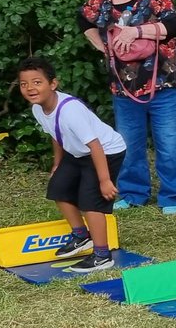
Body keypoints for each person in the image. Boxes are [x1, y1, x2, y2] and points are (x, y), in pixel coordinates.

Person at [79, 0, 176, 215]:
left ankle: (173, 196)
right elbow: (83, 19)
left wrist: (137, 32)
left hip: (165, 81)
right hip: (124, 85)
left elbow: (174, 24)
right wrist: (102, 46)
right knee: (127, 141)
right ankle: (132, 193)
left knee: (170, 140)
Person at [17, 55, 127, 273]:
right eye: (23, 84)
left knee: (90, 202)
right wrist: (57, 164)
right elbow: (56, 134)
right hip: (78, 153)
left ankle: (102, 256)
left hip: (105, 151)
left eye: (37, 82)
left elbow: (95, 145)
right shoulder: (37, 108)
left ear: (53, 84)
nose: (30, 88)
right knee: (58, 187)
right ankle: (80, 235)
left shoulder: (70, 110)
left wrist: (104, 180)